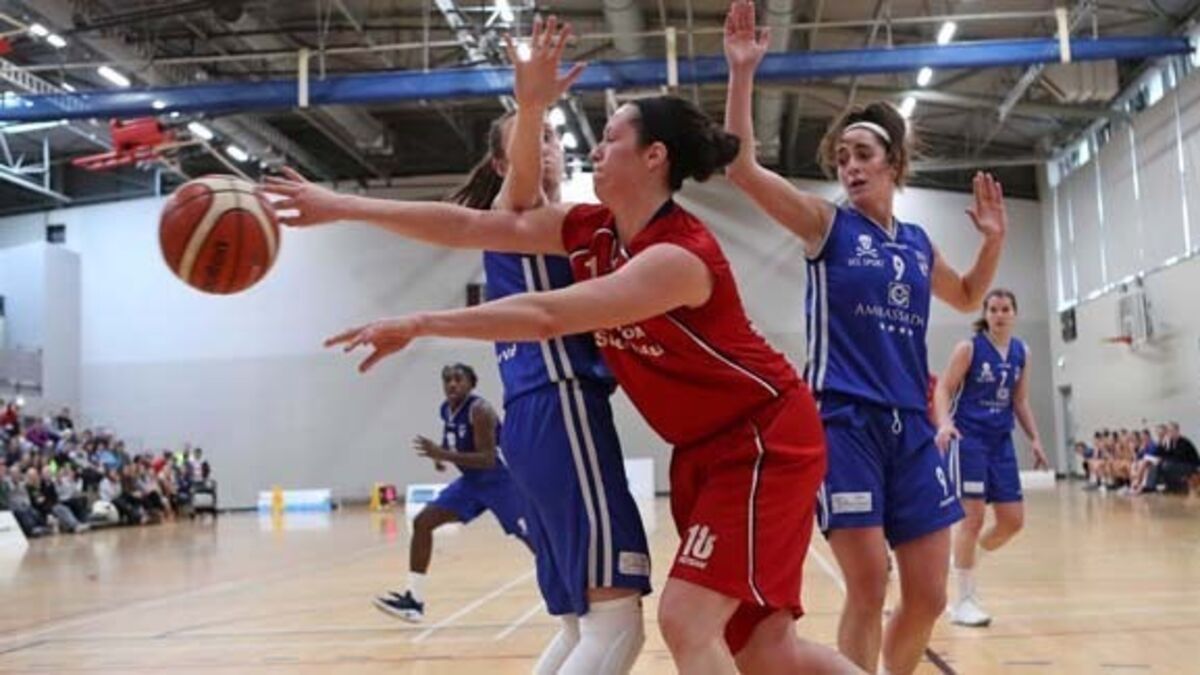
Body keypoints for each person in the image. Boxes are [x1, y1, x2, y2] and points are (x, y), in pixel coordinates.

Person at [265, 28, 857, 675]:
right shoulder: (590, 231)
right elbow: (471, 224)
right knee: (766, 653)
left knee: (685, 620)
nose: (594, 150)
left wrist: (419, 322)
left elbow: (546, 314)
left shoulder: (678, 256)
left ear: (654, 156)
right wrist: (340, 205)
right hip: (700, 451)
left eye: (610, 139)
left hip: (764, 436)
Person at [277, 19, 653, 674]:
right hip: (561, 408)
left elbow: (455, 222)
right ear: (506, 164)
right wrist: (532, 105)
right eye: (537, 140)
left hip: (534, 423)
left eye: (554, 137)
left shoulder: (557, 227)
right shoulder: (521, 214)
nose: (551, 148)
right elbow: (495, 198)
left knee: (579, 625)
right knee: (618, 626)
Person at [721, 2, 1005, 671]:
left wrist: (993, 241)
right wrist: (742, 74)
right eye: (842, 156)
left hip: (911, 426)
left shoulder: (916, 243)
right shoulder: (827, 225)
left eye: (863, 155)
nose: (850, 165)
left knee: (929, 593)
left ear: (892, 162)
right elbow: (741, 168)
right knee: (869, 583)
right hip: (844, 421)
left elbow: (968, 294)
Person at [374, 363, 532, 622]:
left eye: (458, 379)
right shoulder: (446, 410)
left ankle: (575, 587)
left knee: (532, 539)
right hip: (471, 483)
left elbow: (487, 459)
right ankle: (414, 601)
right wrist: (440, 456)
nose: (452, 384)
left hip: (500, 482)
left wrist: (443, 454)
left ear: (472, 383)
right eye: (447, 380)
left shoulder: (480, 410)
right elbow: (451, 439)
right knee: (423, 522)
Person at [932, 289, 1048, 627]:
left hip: (1001, 441)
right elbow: (943, 388)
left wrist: (1035, 438)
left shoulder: (1022, 352)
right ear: (985, 314)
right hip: (968, 439)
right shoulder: (968, 348)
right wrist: (944, 423)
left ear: (1015, 313)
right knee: (973, 519)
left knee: (1013, 521)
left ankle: (964, 560)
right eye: (993, 309)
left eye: (1005, 309)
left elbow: (1020, 400)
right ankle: (964, 600)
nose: (999, 314)